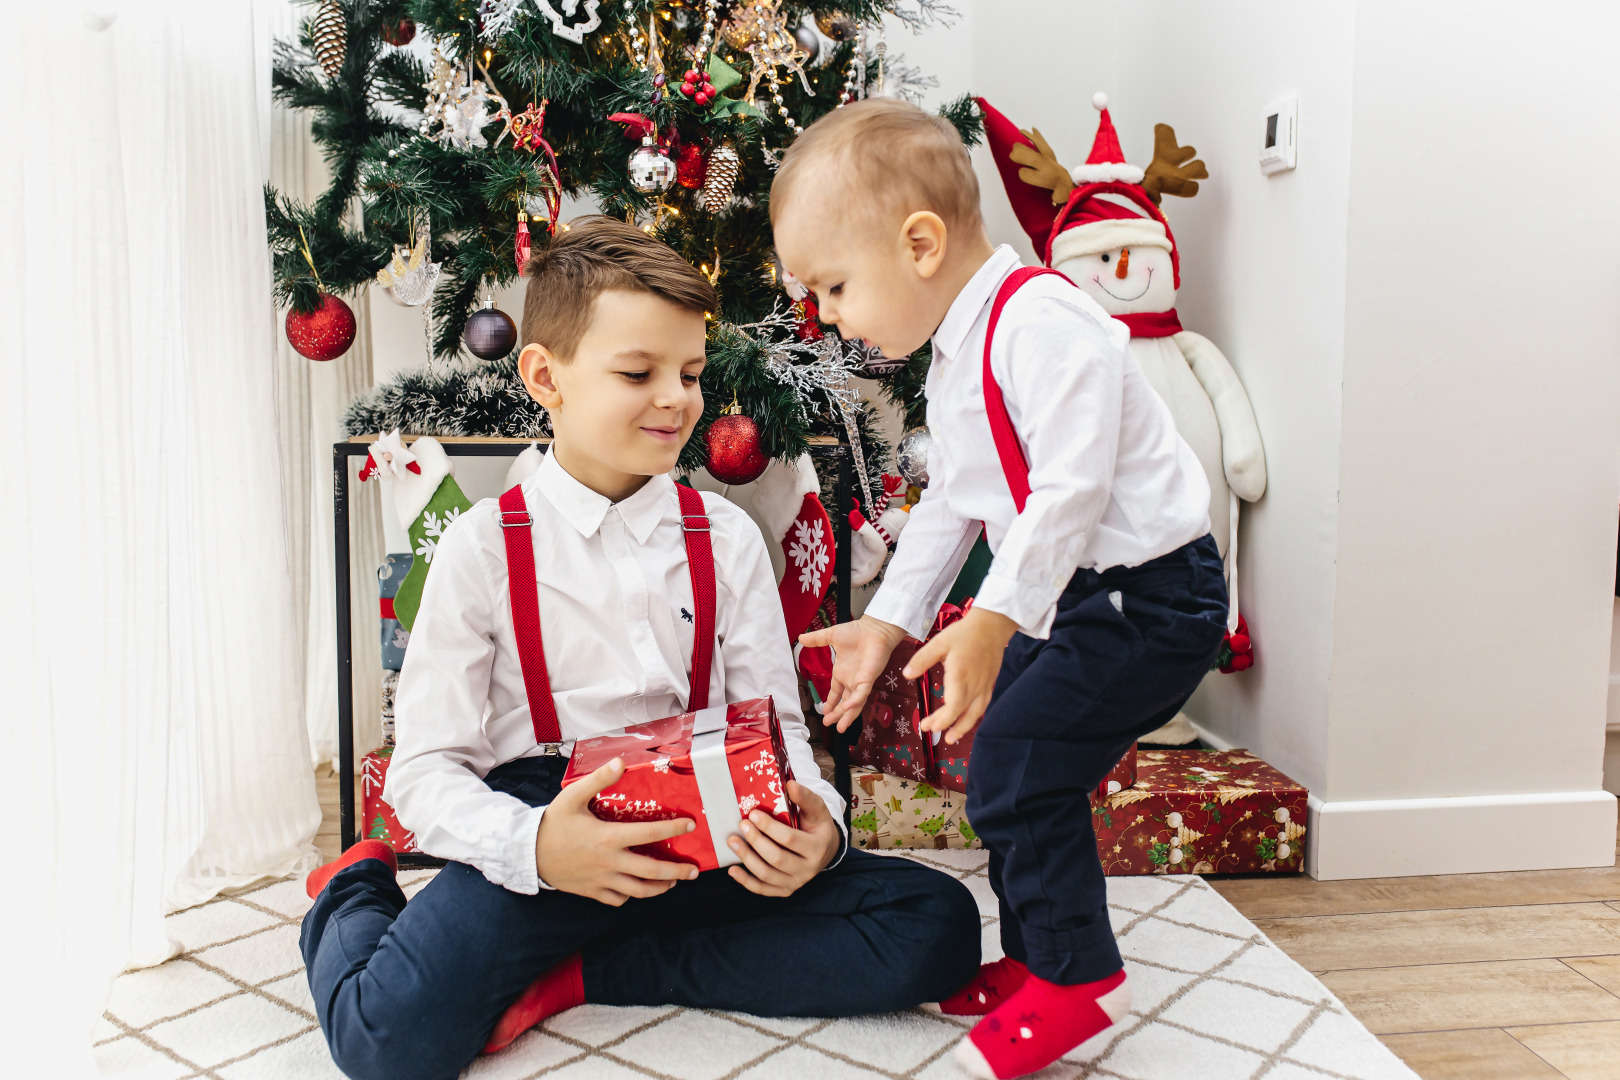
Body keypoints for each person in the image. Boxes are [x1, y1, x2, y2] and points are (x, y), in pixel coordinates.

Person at [298, 217, 980, 1080]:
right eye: (638, 373)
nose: (678, 399)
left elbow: (777, 733)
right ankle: (352, 888)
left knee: (937, 925)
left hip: (708, 814)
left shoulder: (726, 539)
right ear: (545, 375)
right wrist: (537, 847)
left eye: (691, 374)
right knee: (387, 1041)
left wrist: (822, 825)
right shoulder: (482, 548)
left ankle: (594, 972)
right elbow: (425, 770)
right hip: (552, 824)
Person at [775, 100, 1228, 1080]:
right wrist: (889, 623)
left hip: (1148, 601)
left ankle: (1076, 981)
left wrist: (993, 617)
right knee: (1013, 767)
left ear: (921, 243)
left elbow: (1074, 484)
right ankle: (1033, 962)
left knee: (1018, 769)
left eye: (838, 286)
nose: (832, 317)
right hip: (1077, 596)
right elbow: (960, 502)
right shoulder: (958, 351)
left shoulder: (1043, 319)